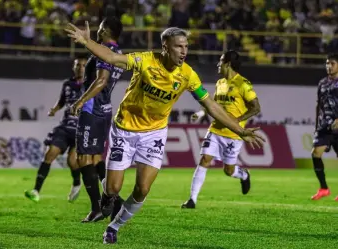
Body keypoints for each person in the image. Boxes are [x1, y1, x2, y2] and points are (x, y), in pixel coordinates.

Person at [65, 23, 265, 244]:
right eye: (179, 46)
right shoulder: (145, 61)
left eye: (186, 46)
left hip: (154, 134)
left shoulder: (188, 75)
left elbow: (210, 105)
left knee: (142, 189)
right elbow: (112, 58)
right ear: (165, 47)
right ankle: (107, 198)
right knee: (113, 187)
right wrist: (87, 42)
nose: (184, 51)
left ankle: (114, 226)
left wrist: (240, 130)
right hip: (125, 129)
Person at [181, 50, 261, 209]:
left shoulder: (243, 84)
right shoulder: (220, 83)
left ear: (228, 64)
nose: (218, 64)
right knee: (204, 160)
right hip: (215, 130)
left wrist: (236, 121)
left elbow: (256, 108)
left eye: (221, 61)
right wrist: (201, 112)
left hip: (233, 135)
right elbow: (213, 104)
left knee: (229, 170)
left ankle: (244, 175)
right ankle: (192, 200)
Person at [70, 17, 124, 222]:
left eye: (101, 29)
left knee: (82, 158)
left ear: (108, 30)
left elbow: (101, 80)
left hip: (92, 109)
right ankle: (116, 204)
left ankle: (98, 207)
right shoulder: (118, 53)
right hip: (105, 109)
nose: (98, 32)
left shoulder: (105, 52)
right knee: (94, 159)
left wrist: (80, 102)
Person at [24, 57, 86, 203]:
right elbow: (62, 101)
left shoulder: (91, 84)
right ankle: (36, 190)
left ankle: (77, 182)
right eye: (78, 65)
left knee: (72, 160)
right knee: (50, 153)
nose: (80, 68)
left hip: (82, 128)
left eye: (83, 65)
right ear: (73, 67)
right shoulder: (67, 84)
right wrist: (55, 109)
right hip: (65, 126)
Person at [310, 53, 338, 201]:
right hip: (325, 125)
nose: (328, 66)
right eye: (327, 63)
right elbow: (318, 105)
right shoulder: (322, 83)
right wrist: (316, 125)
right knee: (315, 153)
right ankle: (324, 188)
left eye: (332, 63)